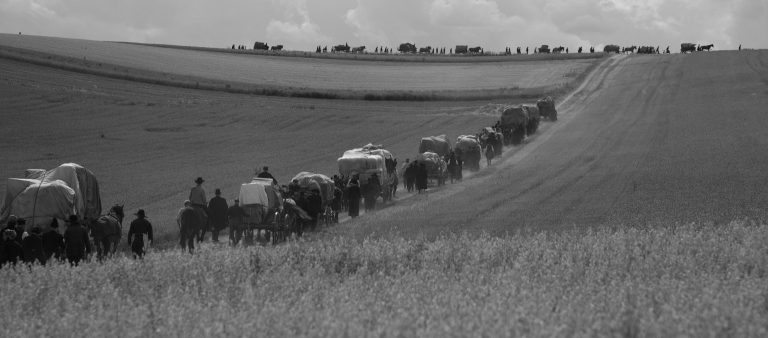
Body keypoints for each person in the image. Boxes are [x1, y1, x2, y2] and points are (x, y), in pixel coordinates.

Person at [189, 177, 208, 242]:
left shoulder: (192, 189)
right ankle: (202, 235)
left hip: (191, 206)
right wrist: (205, 204)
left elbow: (189, 197)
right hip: (199, 206)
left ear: (196, 182)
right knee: (207, 217)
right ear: (201, 183)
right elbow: (204, 199)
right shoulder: (202, 190)